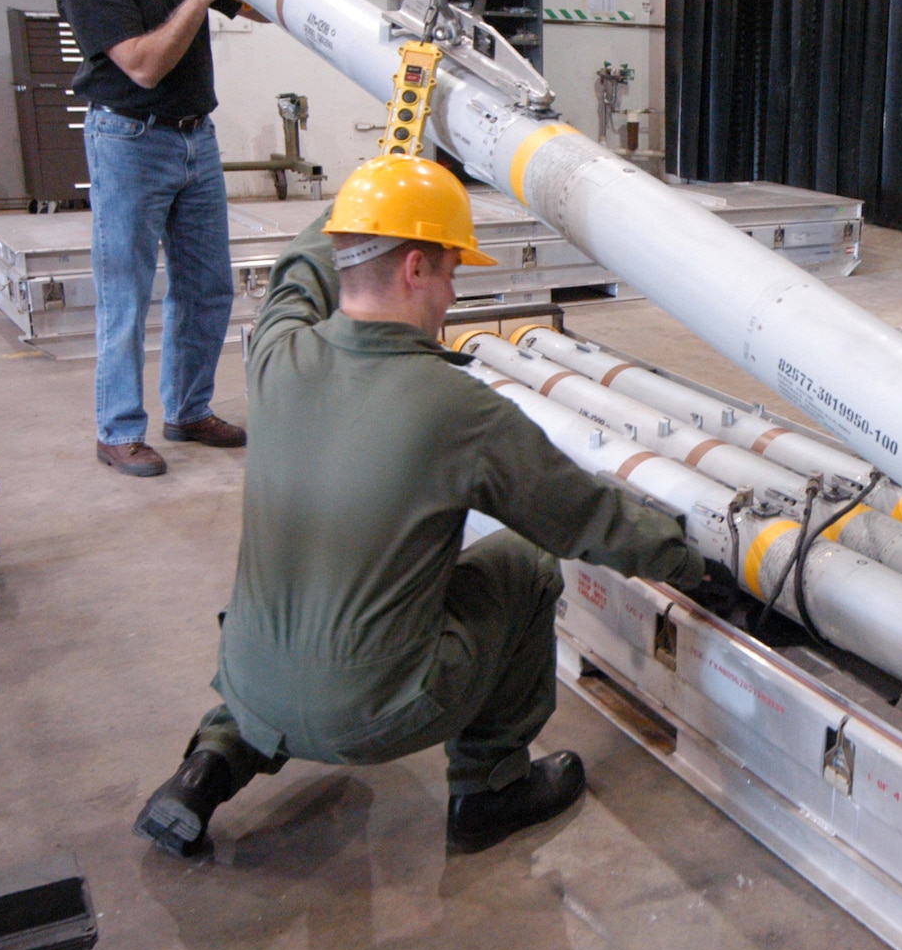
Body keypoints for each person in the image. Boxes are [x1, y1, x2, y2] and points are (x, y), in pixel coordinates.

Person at [134, 156, 704, 857]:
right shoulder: (458, 410)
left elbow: (296, 272)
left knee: (310, 601)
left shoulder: (275, 356)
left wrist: (376, 169)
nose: (453, 291)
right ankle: (489, 789)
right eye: (450, 270)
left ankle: (209, 765)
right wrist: (686, 556)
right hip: (369, 714)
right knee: (523, 563)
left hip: (250, 683)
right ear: (414, 270)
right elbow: (585, 517)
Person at [57, 0, 268, 477]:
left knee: (206, 287)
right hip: (130, 140)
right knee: (125, 291)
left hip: (193, 140)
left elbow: (259, 10)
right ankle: (118, 429)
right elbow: (143, 67)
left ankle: (188, 410)